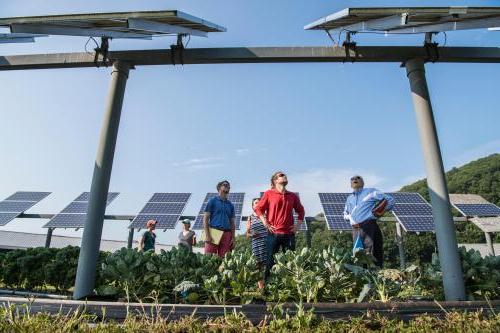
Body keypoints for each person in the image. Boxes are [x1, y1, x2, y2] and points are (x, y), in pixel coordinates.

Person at [254, 171, 305, 282]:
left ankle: (289, 288)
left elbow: (301, 211)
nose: (284, 176)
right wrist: (265, 223)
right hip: (273, 234)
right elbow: (258, 209)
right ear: (275, 180)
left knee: (290, 263)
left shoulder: (292, 196)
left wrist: (297, 226)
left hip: (289, 234)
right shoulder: (268, 194)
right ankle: (267, 289)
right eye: (281, 175)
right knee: (270, 262)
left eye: (285, 175)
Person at [343, 175, 394, 267]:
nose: (355, 179)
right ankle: (363, 279)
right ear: (351, 184)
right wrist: (349, 217)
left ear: (362, 182)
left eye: (358, 178)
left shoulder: (371, 192)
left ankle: (375, 278)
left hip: (369, 226)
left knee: (372, 255)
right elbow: (345, 213)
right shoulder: (349, 198)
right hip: (355, 230)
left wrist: (381, 211)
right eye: (352, 179)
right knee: (358, 257)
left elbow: (390, 200)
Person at [204, 180, 236, 257]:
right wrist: (207, 235)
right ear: (219, 187)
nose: (227, 187)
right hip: (214, 232)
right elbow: (205, 219)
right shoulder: (212, 201)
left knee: (224, 260)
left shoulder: (231, 205)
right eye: (225, 185)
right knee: (209, 258)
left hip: (227, 234)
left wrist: (233, 238)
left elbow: (232, 223)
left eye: (229, 186)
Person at [246, 198, 267, 289]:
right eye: (255, 203)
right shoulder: (250, 217)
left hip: (267, 243)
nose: (258, 204)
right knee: (258, 266)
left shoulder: (266, 216)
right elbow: (247, 234)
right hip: (256, 244)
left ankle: (268, 287)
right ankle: (261, 289)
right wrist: (252, 234)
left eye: (259, 202)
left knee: (267, 265)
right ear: (252, 206)